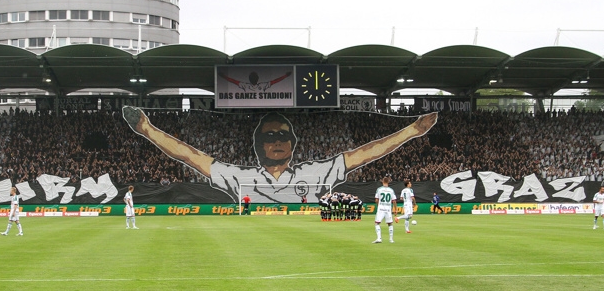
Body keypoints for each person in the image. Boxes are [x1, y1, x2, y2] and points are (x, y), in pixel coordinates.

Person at [122, 106, 438, 203]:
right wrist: (147, 129)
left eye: (283, 135)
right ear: (258, 144)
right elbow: (191, 157)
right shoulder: (239, 178)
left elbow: (365, 154)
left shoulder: (315, 173)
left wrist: (412, 130)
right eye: (269, 135)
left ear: (293, 143)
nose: (277, 141)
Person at [373, 176, 397, 243]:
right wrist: (395, 209)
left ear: (382, 182)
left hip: (381, 208)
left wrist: (378, 206)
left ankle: (379, 238)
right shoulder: (391, 190)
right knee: (390, 223)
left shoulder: (379, 189)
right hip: (388, 209)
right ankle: (391, 239)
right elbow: (394, 201)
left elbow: (376, 200)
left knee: (377, 223)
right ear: (388, 182)